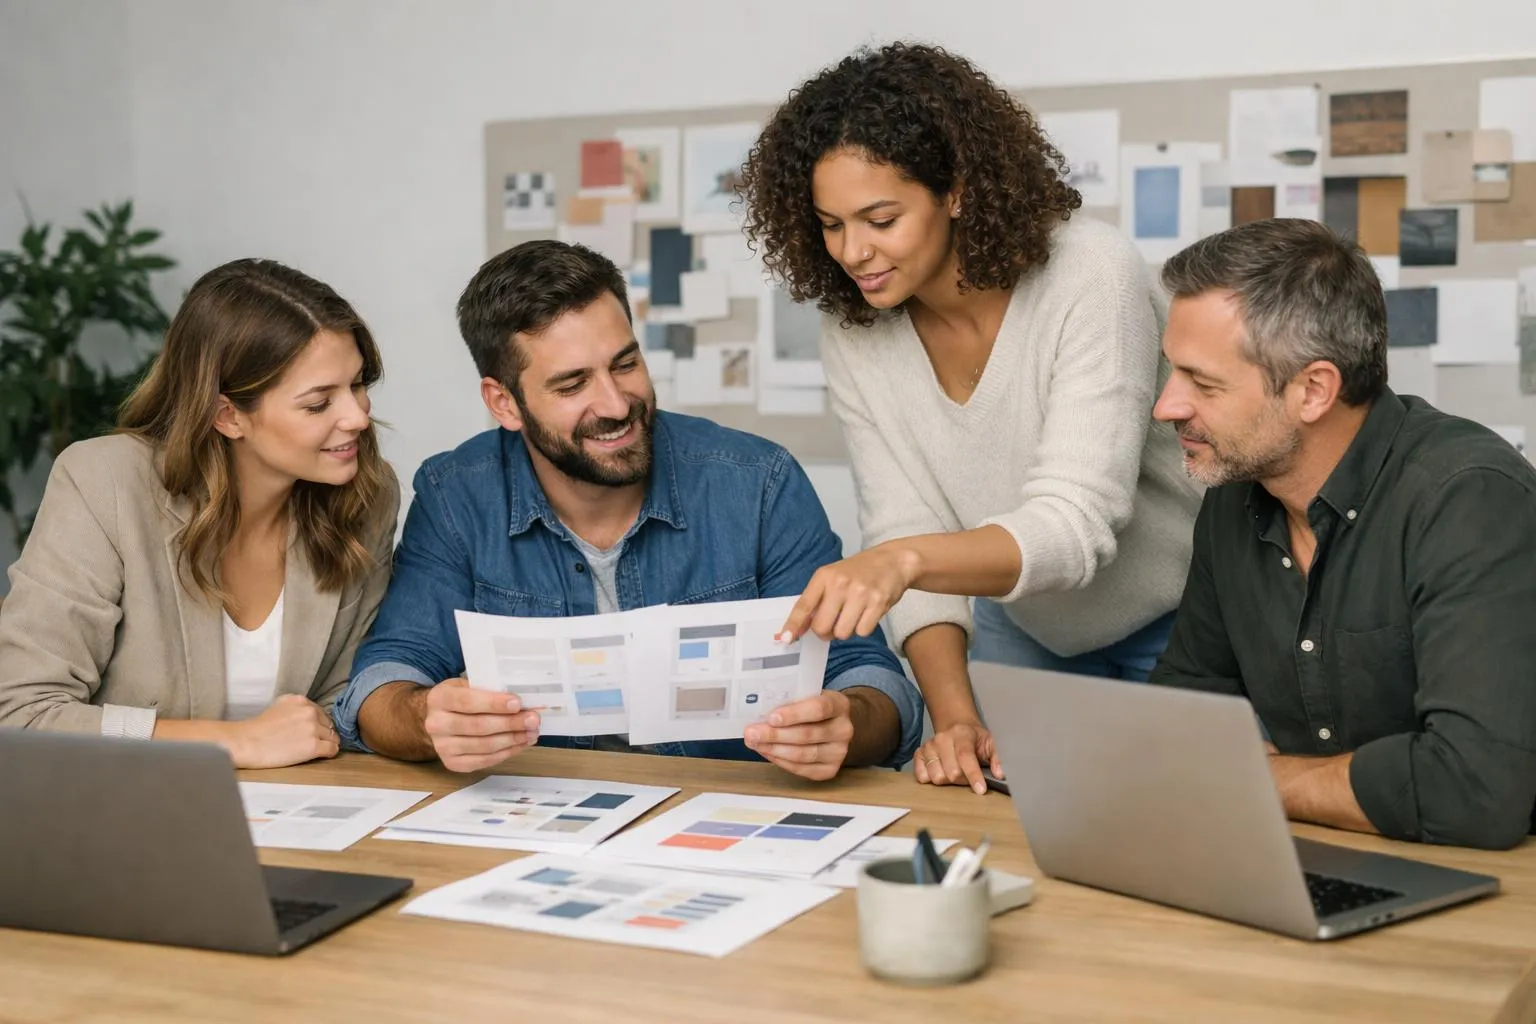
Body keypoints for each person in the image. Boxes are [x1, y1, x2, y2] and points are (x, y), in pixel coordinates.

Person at [738, 41, 1201, 793]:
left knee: (1174, 841)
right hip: (1022, 626)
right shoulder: (855, 331)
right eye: (830, 224)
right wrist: (954, 717)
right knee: (1005, 830)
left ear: (956, 190)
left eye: (880, 218)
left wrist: (904, 560)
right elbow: (901, 524)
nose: (854, 252)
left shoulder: (1090, 271)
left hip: (1180, 619)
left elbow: (1078, 523)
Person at [333, 240, 922, 779]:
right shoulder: (455, 495)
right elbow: (385, 678)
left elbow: (871, 680)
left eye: (625, 364)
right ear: (504, 403)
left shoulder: (758, 483)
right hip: (541, 828)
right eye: (572, 386)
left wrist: (845, 723)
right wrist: (427, 718)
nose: (615, 404)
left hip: (725, 820)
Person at [1148, 218, 1536, 850]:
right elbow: (1182, 720)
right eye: (1173, 372)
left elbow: (1475, 789)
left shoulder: (1468, 498)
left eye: (1203, 382)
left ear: (1314, 390)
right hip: (1310, 858)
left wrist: (1260, 776)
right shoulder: (1234, 498)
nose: (1167, 406)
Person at [0, 259, 399, 768]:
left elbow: (342, 702)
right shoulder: (104, 483)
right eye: (318, 403)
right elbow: (24, 715)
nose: (358, 417)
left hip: (298, 817)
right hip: (120, 818)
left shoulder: (367, 495)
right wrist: (234, 743)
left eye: (359, 384)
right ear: (227, 415)